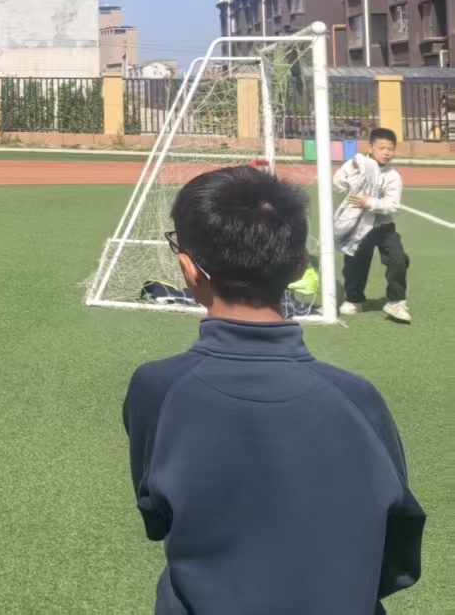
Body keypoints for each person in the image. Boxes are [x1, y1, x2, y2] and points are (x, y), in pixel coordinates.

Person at [123, 165, 423, 614]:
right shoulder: (358, 396)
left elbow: (157, 516)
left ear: (188, 270)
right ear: (299, 266)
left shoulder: (158, 387)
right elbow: (399, 540)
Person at [334, 127, 411, 323]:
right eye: (382, 148)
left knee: (398, 259)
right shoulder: (356, 164)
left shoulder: (393, 176)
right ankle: (354, 299)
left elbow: (392, 205)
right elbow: (338, 186)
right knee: (355, 263)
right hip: (359, 226)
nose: (386, 153)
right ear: (370, 147)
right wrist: (352, 169)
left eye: (390, 149)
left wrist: (369, 202)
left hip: (384, 227)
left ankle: (396, 301)